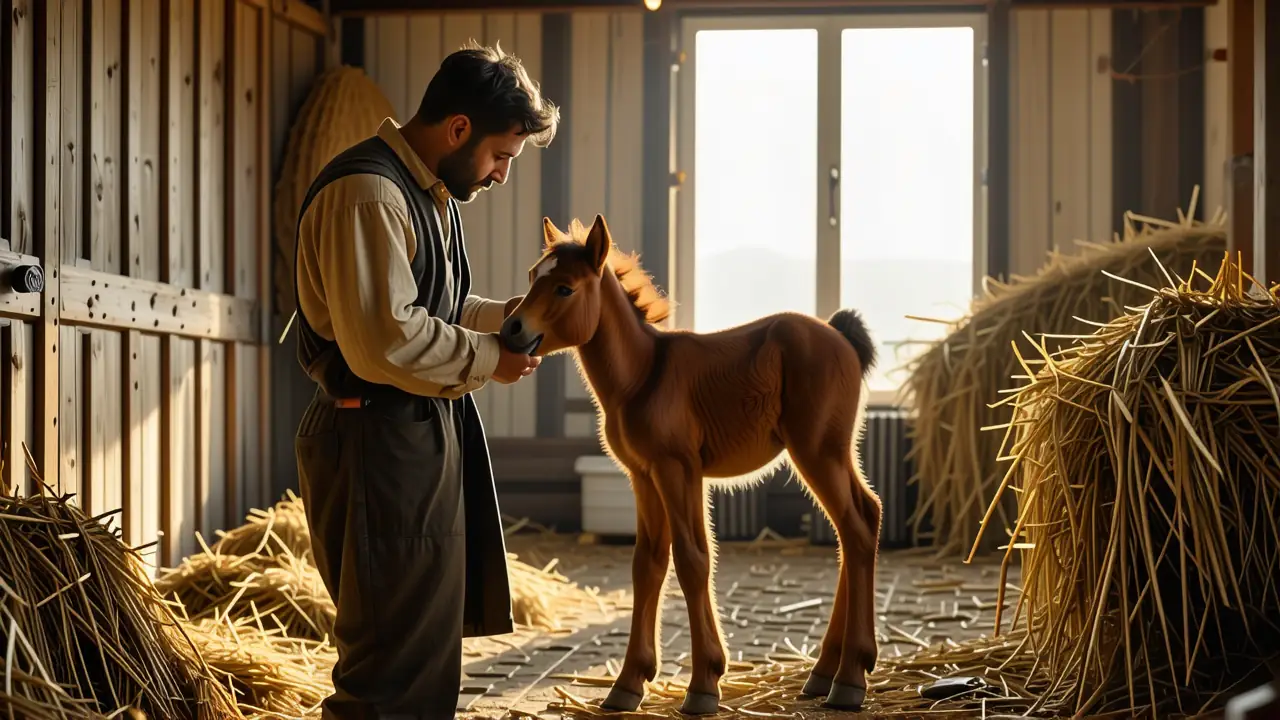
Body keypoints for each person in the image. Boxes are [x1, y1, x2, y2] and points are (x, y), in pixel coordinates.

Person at [290, 41, 559, 719]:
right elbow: (387, 337)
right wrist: (490, 359)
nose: (501, 176)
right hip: (371, 436)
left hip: (413, 434)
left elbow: (439, 309)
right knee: (389, 661)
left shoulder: (431, 196)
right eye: (500, 156)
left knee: (425, 648)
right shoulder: (368, 192)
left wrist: (518, 320)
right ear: (458, 128)